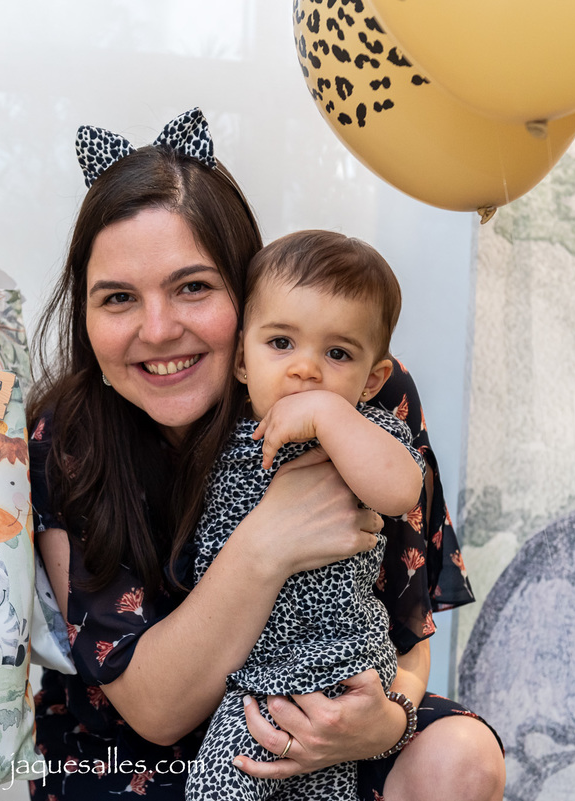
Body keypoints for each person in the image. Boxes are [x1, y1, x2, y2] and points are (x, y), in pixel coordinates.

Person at [27, 108, 504, 801]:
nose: (158, 330)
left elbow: (409, 628)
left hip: (317, 716)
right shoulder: (67, 437)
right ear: (86, 317)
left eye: (193, 287)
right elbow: (157, 711)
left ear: (246, 297)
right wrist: (269, 538)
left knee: (461, 758)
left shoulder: (356, 394)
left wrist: (381, 721)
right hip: (130, 754)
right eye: (119, 298)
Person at [186, 230, 426, 801]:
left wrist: (328, 416)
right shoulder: (220, 436)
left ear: (372, 379)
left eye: (337, 354)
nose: (305, 370)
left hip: (335, 663)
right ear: (242, 356)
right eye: (281, 344)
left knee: (220, 786)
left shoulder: (365, 432)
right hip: (250, 670)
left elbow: (400, 491)